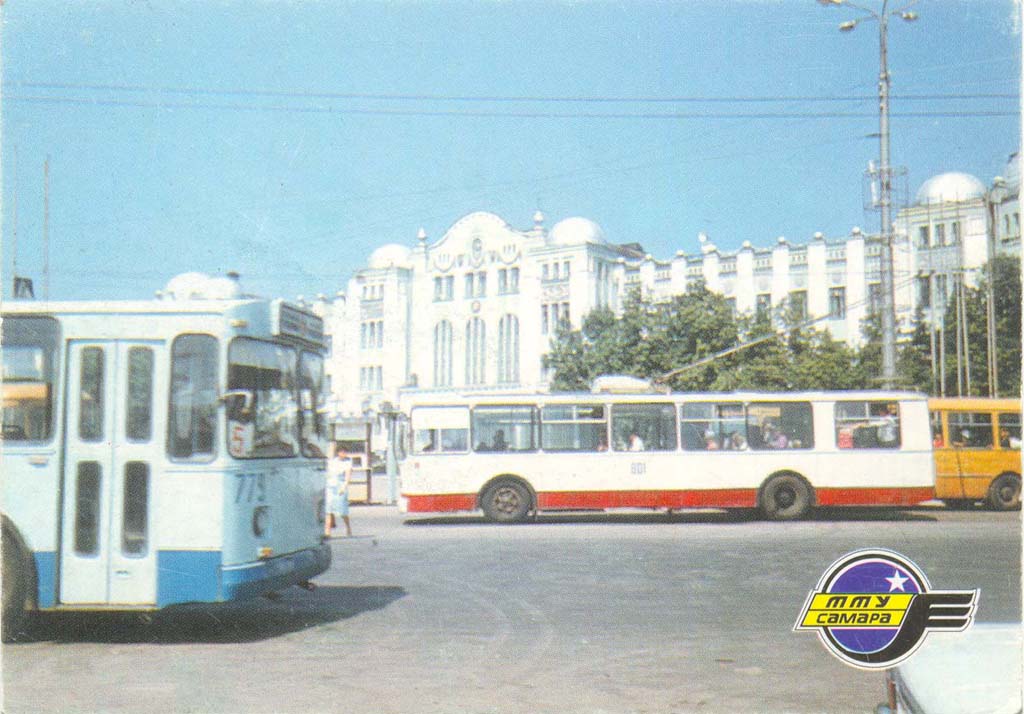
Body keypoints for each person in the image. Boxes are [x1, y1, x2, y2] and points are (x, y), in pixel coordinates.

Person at [325, 447, 353, 537]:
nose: (343, 454)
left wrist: (344, 487)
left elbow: (347, 477)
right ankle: (328, 531)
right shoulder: (332, 462)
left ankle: (348, 528)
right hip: (330, 486)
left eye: (345, 452)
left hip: (340, 486)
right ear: (338, 453)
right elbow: (328, 473)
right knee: (329, 509)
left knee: (342, 510)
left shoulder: (348, 462)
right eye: (342, 452)